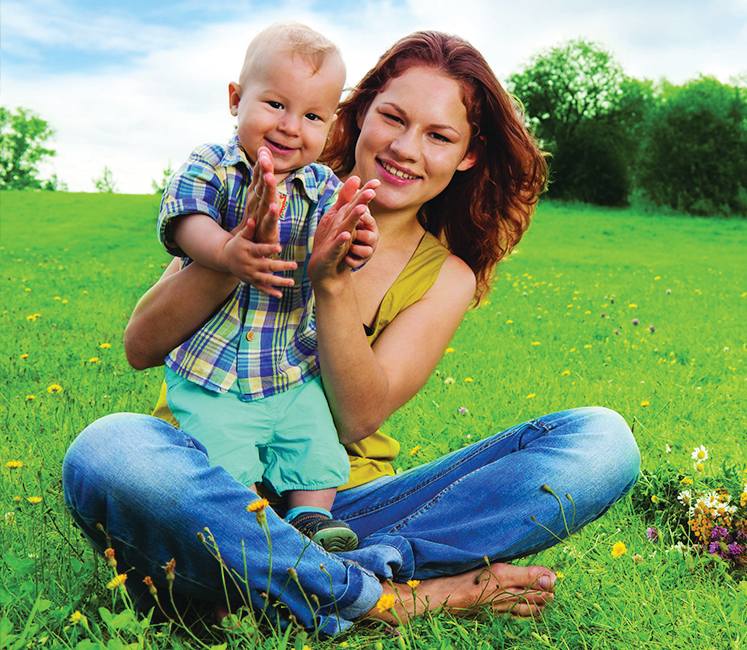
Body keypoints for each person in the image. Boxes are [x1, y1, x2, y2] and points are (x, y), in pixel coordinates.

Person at [62, 31, 640, 636]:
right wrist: (240, 252)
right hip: (206, 491)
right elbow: (140, 347)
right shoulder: (263, 183)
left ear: (467, 155)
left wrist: (330, 287)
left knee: (601, 440)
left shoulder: (446, 276)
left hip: (340, 509)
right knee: (111, 449)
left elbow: (355, 420)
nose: (405, 148)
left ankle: (267, 589)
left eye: (439, 136)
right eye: (392, 117)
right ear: (360, 112)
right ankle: (391, 599)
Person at [157, 22, 378, 553]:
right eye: (276, 104)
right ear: (236, 99)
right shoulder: (213, 164)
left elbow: (333, 240)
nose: (290, 127)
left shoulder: (324, 185)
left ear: (330, 125)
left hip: (287, 369)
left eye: (312, 116)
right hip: (217, 371)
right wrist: (227, 252)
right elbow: (184, 219)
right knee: (224, 456)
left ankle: (309, 520)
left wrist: (353, 242)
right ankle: (250, 528)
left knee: (316, 446)